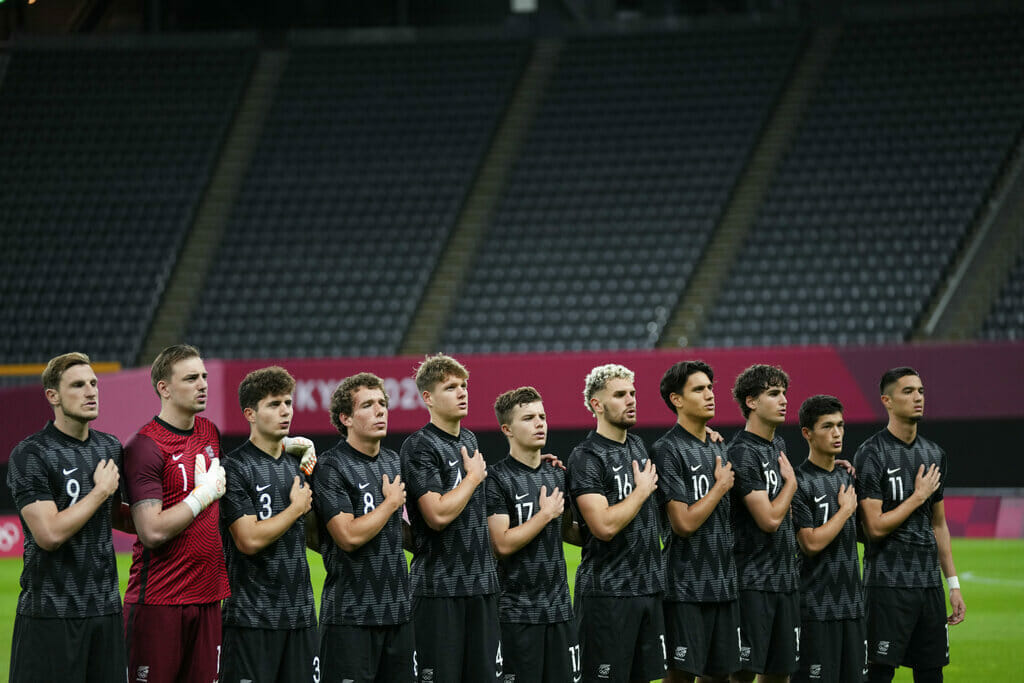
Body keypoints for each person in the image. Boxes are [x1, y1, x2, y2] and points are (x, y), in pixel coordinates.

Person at [7, 352, 131, 682]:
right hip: (50, 614)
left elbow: (119, 517)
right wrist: (100, 492)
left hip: (105, 611)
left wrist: (194, 504)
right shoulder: (31, 453)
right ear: (53, 396)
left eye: (94, 383)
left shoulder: (110, 447)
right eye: (78, 385)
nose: (91, 391)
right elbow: (48, 534)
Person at [122, 344, 229, 683]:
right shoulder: (144, 446)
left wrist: (283, 445)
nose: (203, 385)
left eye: (204, 377)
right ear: (164, 388)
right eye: (191, 378)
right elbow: (151, 530)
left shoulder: (209, 432)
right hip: (160, 601)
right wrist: (202, 496)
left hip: (209, 596)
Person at [853, 368, 965, 683]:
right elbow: (873, 527)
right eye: (908, 391)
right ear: (886, 401)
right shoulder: (871, 454)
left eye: (920, 391)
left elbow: (939, 525)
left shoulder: (934, 454)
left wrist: (953, 585)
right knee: (878, 673)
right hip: (886, 585)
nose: (917, 397)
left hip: (928, 586)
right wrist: (918, 497)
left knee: (931, 674)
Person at [401, 353, 501, 683]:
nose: (462, 392)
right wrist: (472, 478)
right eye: (451, 387)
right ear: (428, 398)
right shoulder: (418, 446)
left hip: (482, 587)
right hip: (439, 590)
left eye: (464, 385)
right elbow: (437, 515)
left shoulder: (469, 439)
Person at [567, 363, 667, 683]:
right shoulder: (586, 457)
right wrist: (640, 492)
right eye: (620, 395)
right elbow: (604, 527)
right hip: (608, 596)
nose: (631, 400)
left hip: (648, 590)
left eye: (633, 393)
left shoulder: (637, 446)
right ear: (597, 404)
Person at [313, 372, 415, 682]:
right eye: (368, 405)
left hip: (398, 615)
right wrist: (390, 504)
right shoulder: (330, 466)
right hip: (351, 618)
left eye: (382, 403)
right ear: (345, 417)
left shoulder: (393, 461)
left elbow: (403, 535)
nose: (380, 410)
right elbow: (348, 536)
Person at [219, 366, 317, 682]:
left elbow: (312, 536)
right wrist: (295, 509)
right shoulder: (234, 467)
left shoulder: (298, 465)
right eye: (274, 405)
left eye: (288, 403)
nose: (285, 411)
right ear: (250, 413)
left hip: (301, 616)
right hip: (251, 618)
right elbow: (246, 539)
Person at [486, 386, 582, 682]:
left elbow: (567, 531)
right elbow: (500, 544)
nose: (540, 423)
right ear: (507, 429)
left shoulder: (557, 473)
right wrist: (545, 515)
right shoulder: (496, 479)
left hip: (560, 613)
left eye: (542, 416)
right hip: (516, 615)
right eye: (528, 418)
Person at [652, 360, 740, 683]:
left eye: (710, 388)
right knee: (680, 677)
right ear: (677, 399)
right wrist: (719, 487)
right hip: (684, 587)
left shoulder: (719, 445)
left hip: (724, 585)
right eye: (699, 389)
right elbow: (683, 523)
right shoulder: (666, 450)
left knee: (719, 677)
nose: (710, 394)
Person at [728, 364, 800, 683]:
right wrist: (791, 486)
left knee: (779, 673)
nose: (784, 400)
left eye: (784, 393)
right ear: (751, 402)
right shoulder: (741, 453)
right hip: (752, 582)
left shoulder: (777, 446)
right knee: (742, 674)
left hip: (784, 581)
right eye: (773, 394)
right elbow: (769, 519)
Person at [791, 395, 865, 683]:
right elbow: (809, 543)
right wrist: (846, 510)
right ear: (807, 433)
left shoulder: (848, 478)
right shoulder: (797, 483)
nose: (837, 433)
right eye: (827, 426)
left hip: (853, 608)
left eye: (840, 425)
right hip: (815, 609)